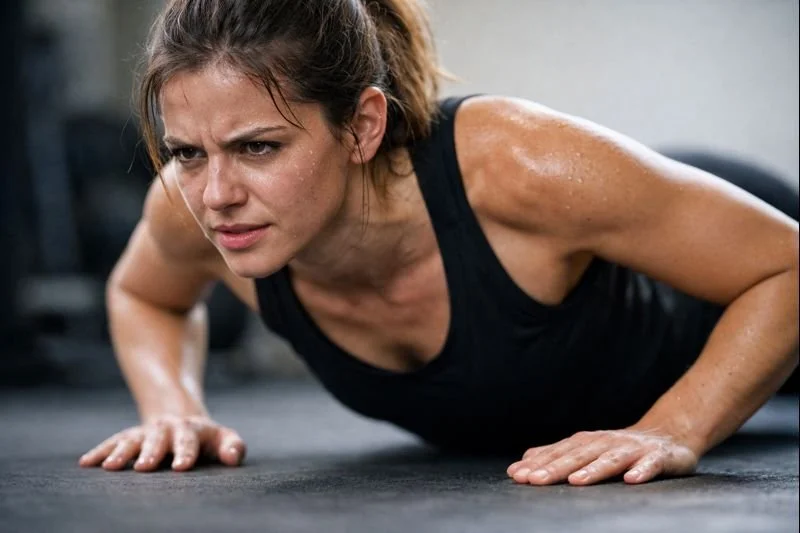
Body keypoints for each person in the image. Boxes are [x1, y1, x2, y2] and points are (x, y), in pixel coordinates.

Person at [78, 0, 799, 487]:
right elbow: (145, 293)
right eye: (188, 151)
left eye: (258, 146)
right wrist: (172, 407)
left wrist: (675, 428)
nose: (215, 194)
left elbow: (786, 267)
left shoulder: (518, 165)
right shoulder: (192, 205)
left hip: (737, 266)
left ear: (362, 125)